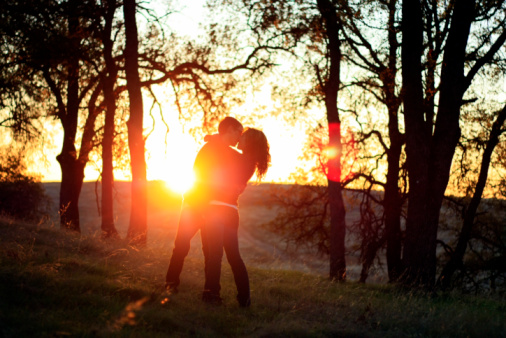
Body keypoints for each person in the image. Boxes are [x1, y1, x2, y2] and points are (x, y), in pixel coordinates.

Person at [165, 117, 244, 294]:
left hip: (212, 209)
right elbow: (202, 178)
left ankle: (211, 291)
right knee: (182, 246)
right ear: (229, 129)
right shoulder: (210, 149)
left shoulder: (224, 150)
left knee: (211, 252)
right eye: (238, 132)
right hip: (194, 205)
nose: (239, 137)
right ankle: (171, 284)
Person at [201, 128, 271, 307]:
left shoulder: (241, 159)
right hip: (231, 211)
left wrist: (215, 138)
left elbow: (223, 150)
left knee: (215, 254)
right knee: (233, 257)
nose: (240, 137)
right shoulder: (249, 161)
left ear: (250, 142)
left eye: (244, 136)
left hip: (217, 208)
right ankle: (244, 299)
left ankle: (212, 295)